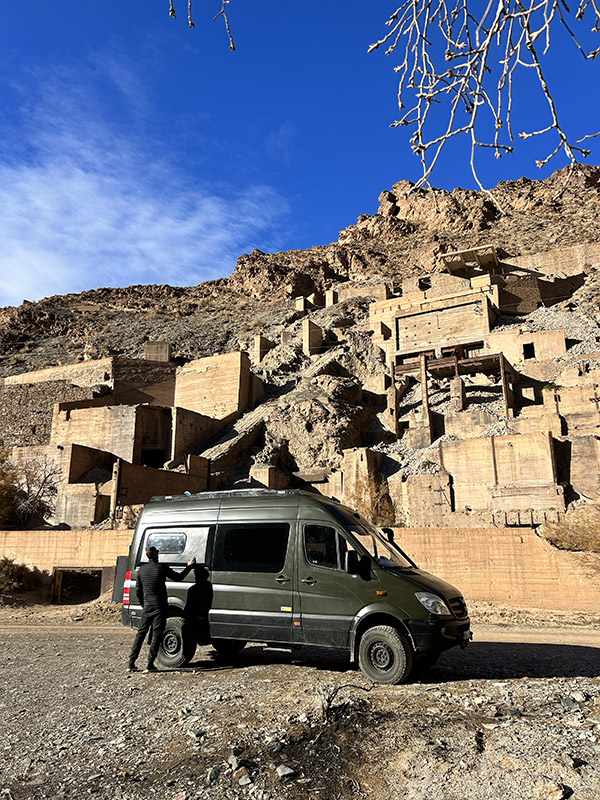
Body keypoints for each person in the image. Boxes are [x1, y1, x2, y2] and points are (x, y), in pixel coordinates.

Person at [128, 546, 196, 673]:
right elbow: (178, 577)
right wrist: (189, 567)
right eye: (157, 552)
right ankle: (150, 664)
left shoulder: (142, 570)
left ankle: (131, 663)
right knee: (157, 634)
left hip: (147, 606)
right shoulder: (161, 567)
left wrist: (143, 604)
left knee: (141, 633)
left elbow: (138, 590)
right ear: (155, 554)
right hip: (159, 606)